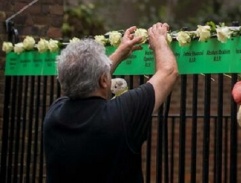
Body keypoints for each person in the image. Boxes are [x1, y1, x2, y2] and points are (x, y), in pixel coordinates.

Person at [43, 23, 178, 183]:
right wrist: (160, 40)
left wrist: (120, 52)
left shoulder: (54, 116)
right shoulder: (121, 115)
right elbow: (168, 72)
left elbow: (84, 77)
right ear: (104, 80)